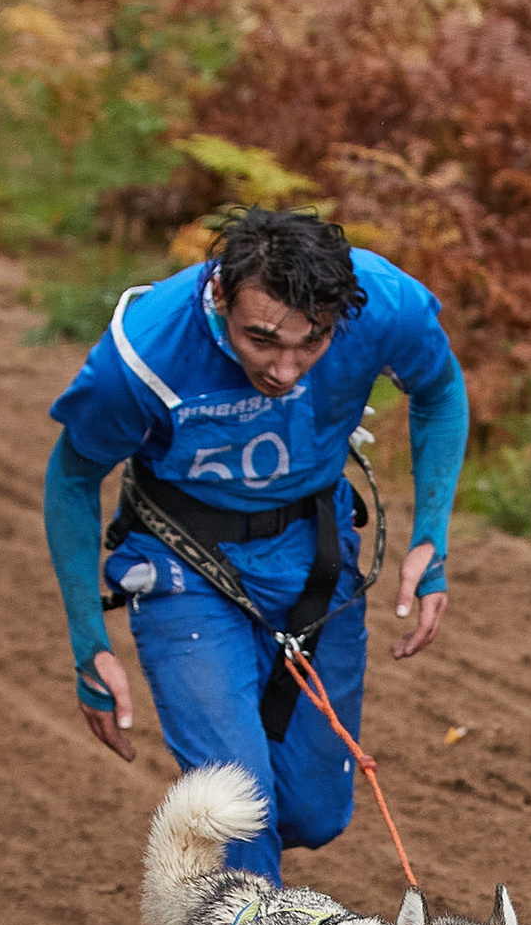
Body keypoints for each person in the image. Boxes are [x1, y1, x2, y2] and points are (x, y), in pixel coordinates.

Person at [42, 206, 469, 881]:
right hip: (181, 561)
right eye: (262, 340)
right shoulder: (144, 355)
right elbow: (71, 479)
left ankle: (218, 887)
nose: (287, 369)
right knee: (243, 813)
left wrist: (431, 540)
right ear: (219, 295)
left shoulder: (383, 304)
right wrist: (87, 642)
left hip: (314, 558)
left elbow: (441, 392)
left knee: (314, 814)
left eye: (313, 342)